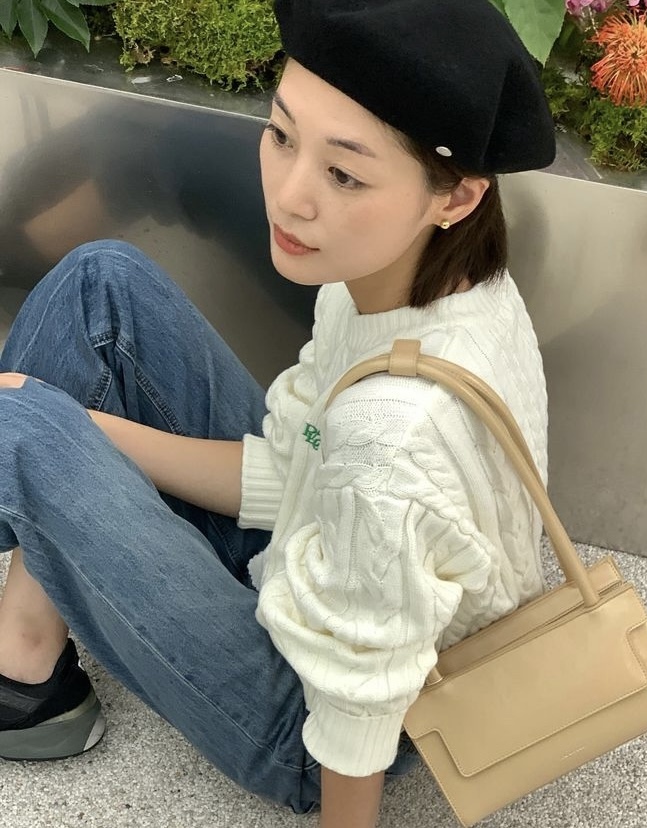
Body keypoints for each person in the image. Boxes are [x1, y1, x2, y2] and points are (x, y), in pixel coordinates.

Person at [0, 0, 556, 825]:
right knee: (99, 286)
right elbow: (292, 471)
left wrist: (49, 433)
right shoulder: (410, 284)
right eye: (282, 134)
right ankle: (24, 650)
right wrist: (83, 428)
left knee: (19, 427)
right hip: (308, 552)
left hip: (311, 729)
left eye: (345, 174)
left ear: (457, 197)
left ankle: (19, 669)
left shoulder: (394, 440)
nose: (290, 197)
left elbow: (360, 703)